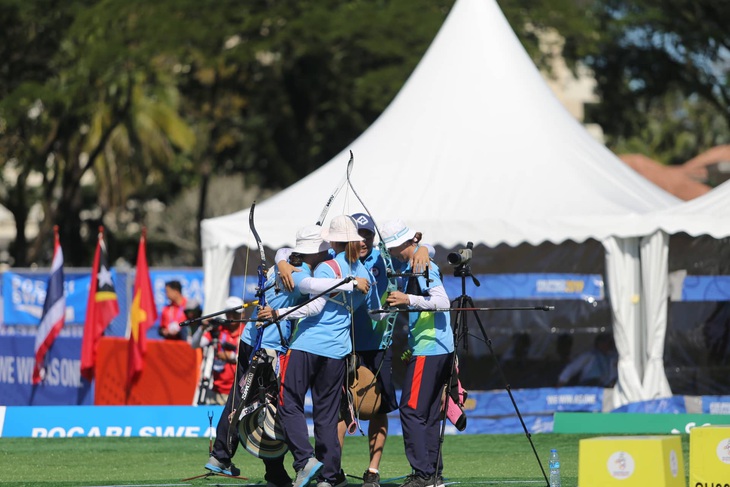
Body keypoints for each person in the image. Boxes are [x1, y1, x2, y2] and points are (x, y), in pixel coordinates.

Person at [258, 215, 381, 487]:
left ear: (334, 241)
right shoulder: (365, 274)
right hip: (338, 352)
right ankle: (330, 477)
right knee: (327, 416)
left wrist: (278, 313)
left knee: (289, 403)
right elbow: (375, 313)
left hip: (307, 346)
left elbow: (312, 304)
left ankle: (305, 461)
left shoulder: (327, 267)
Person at [205, 225, 332, 487]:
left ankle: (227, 458)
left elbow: (283, 252)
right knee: (273, 407)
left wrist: (283, 261)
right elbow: (316, 300)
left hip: (251, 340)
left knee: (245, 401)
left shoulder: (283, 264)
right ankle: (298, 463)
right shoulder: (301, 273)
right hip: (269, 349)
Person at [381, 219, 453, 487]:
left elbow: (443, 302)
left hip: (429, 347)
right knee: (429, 413)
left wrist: (407, 299)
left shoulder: (423, 266)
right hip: (438, 348)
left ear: (404, 244)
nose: (391, 253)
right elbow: (426, 249)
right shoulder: (413, 261)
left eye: (393, 248)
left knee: (411, 410)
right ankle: (433, 475)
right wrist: (424, 247)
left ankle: (423, 475)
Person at [191, 296, 244, 405]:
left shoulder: (246, 332)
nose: (232, 316)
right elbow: (195, 344)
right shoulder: (219, 330)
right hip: (216, 389)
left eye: (235, 313)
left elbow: (250, 359)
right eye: (229, 312)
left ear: (242, 314)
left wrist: (231, 357)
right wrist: (202, 328)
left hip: (237, 390)